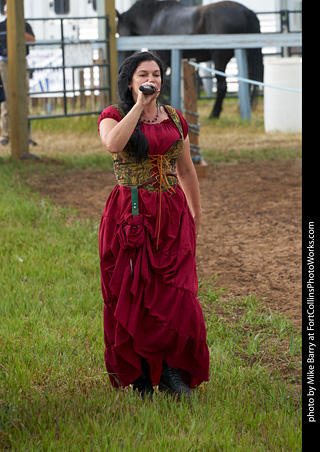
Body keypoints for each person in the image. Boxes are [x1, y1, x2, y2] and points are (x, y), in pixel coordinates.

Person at [98, 51, 209, 400]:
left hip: (172, 215)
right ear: (130, 81)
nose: (152, 79)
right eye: (144, 74)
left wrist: (196, 213)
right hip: (130, 215)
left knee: (175, 295)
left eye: (157, 74)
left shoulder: (175, 118)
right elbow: (113, 143)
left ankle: (173, 372)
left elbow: (187, 168)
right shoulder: (113, 115)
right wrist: (140, 105)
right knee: (136, 292)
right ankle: (143, 376)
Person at [0, 1, 37, 146]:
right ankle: (5, 134)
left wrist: (17, 31)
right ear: (6, 12)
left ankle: (25, 134)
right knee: (7, 100)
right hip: (5, 63)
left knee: (24, 98)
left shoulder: (25, 26)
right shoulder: (1, 26)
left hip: (21, 62)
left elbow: (33, 41)